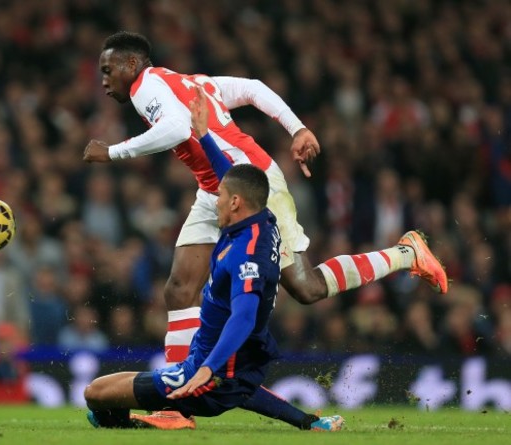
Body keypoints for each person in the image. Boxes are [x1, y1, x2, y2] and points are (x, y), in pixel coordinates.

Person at [84, 30, 447, 423]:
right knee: (179, 288)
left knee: (306, 288)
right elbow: (254, 88)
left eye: (108, 70)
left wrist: (113, 152)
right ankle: (175, 408)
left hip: (253, 186)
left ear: (132, 64)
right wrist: (297, 129)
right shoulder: (191, 82)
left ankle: (407, 253)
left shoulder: (146, 87)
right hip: (215, 190)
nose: (103, 80)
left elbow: (176, 129)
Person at [84, 162, 343, 432]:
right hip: (233, 374)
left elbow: (244, 317)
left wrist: (207, 368)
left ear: (235, 202)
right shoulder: (263, 220)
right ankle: (310, 423)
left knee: (95, 394)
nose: (215, 201)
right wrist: (205, 136)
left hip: (201, 374)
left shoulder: (245, 255)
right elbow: (236, 179)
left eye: (219, 195)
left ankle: (152, 423)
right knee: (236, 385)